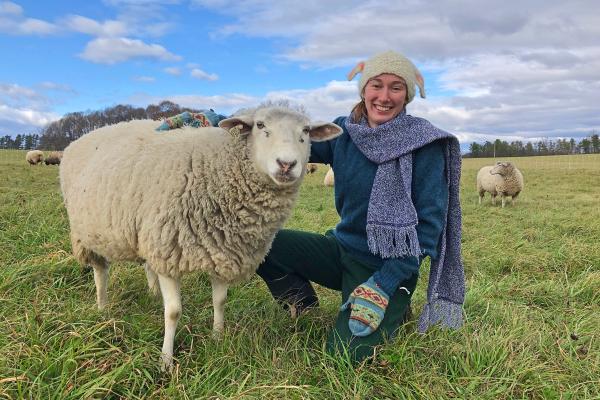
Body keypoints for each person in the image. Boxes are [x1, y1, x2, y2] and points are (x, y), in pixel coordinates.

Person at [256, 50, 466, 362]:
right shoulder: (344, 132)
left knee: (345, 357)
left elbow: (429, 230)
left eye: (396, 87)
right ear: (363, 89)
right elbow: (290, 139)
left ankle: (395, 300)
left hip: (389, 266)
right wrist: (216, 121)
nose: (384, 96)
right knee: (259, 243)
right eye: (376, 85)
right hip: (341, 249)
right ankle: (302, 305)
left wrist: (385, 283)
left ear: (407, 94)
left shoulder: (426, 144)